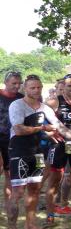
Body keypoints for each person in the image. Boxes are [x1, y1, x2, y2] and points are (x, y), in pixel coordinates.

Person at [6, 75, 71, 229]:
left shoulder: (44, 107)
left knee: (35, 188)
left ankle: (30, 225)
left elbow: (60, 127)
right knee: (18, 192)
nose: (36, 90)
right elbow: (18, 129)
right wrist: (43, 128)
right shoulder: (17, 105)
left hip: (37, 151)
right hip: (19, 151)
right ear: (25, 88)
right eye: (32, 87)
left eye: (38, 87)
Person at [44, 73, 71, 223]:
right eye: (70, 86)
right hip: (59, 144)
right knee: (55, 179)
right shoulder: (55, 101)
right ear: (64, 86)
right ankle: (50, 214)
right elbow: (37, 113)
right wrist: (47, 131)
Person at [1, 71, 24, 210]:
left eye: (19, 83)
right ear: (5, 82)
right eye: (13, 83)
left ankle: (7, 204)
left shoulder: (21, 98)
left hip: (12, 141)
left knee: (9, 174)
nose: (17, 86)